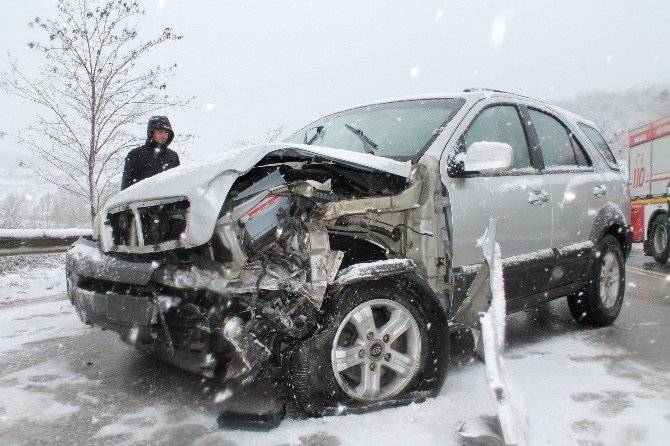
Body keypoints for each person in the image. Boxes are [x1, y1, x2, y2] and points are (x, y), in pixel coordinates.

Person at [121, 116, 180, 190]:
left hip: (169, 200)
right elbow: (126, 188)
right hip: (142, 199)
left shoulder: (173, 156)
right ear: (151, 132)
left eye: (166, 132)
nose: (164, 136)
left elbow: (177, 185)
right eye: (160, 132)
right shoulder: (136, 154)